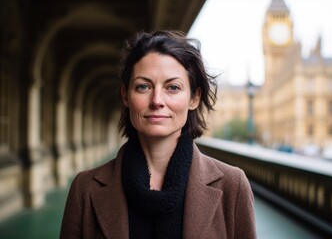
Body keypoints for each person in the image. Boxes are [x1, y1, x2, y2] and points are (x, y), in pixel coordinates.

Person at [60, 30, 256, 239]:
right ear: (125, 96)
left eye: (172, 87)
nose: (157, 101)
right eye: (143, 86)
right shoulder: (85, 188)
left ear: (194, 98)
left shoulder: (232, 186)